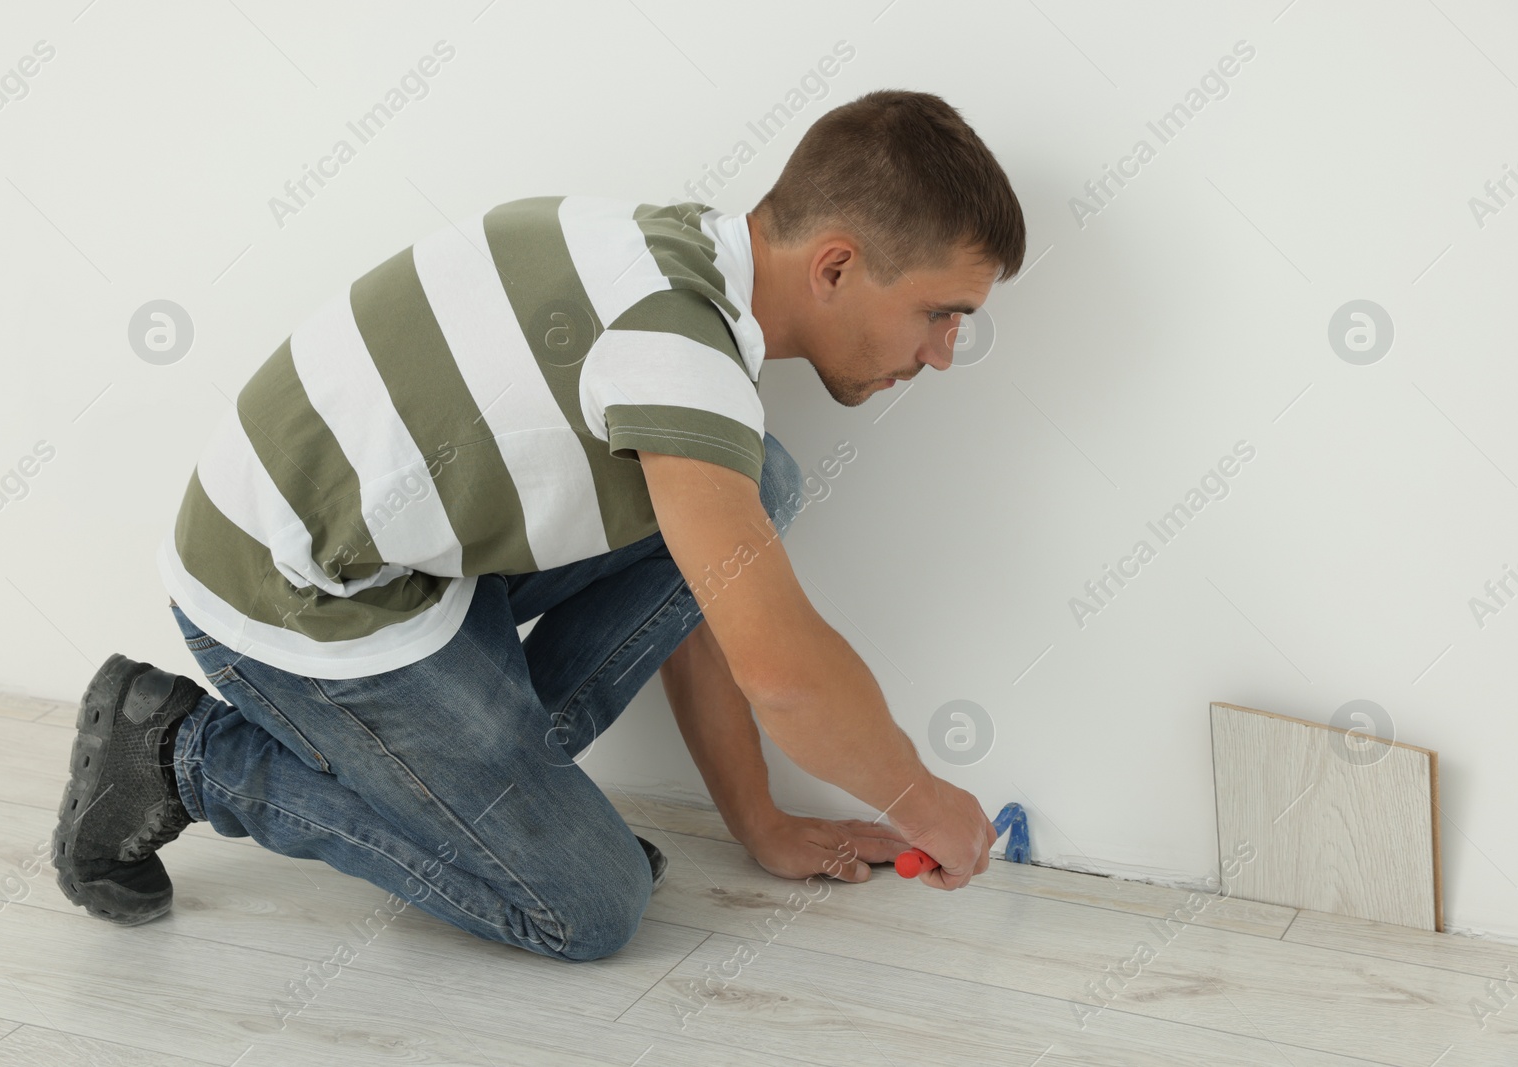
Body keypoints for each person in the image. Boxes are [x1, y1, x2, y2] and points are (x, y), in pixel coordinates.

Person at [50, 88, 1027, 962]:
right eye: (938, 313)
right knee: (589, 905)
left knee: (754, 484)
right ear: (837, 266)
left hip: (409, 557)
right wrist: (921, 798)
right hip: (291, 594)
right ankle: (180, 754)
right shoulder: (675, 353)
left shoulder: (676, 258)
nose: (942, 353)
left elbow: (714, 595)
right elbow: (780, 669)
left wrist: (757, 817)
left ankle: (495, 814)